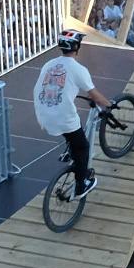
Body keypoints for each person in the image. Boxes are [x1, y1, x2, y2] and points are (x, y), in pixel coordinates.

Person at [33, 28, 110, 195]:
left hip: (43, 115)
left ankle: (69, 150)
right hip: (63, 118)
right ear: (77, 47)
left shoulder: (49, 64)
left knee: (72, 130)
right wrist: (109, 104)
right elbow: (95, 96)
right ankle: (82, 185)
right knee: (83, 147)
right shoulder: (79, 69)